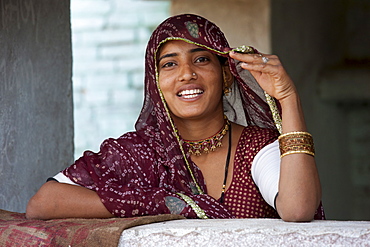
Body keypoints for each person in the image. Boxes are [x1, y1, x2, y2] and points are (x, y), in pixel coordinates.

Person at [26, 14, 324, 221]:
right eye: (169, 64)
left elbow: (298, 210)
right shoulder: (136, 153)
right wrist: (166, 204)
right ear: (155, 84)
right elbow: (44, 203)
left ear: (226, 76)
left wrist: (288, 97)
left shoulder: (255, 147)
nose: (187, 74)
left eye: (201, 59)